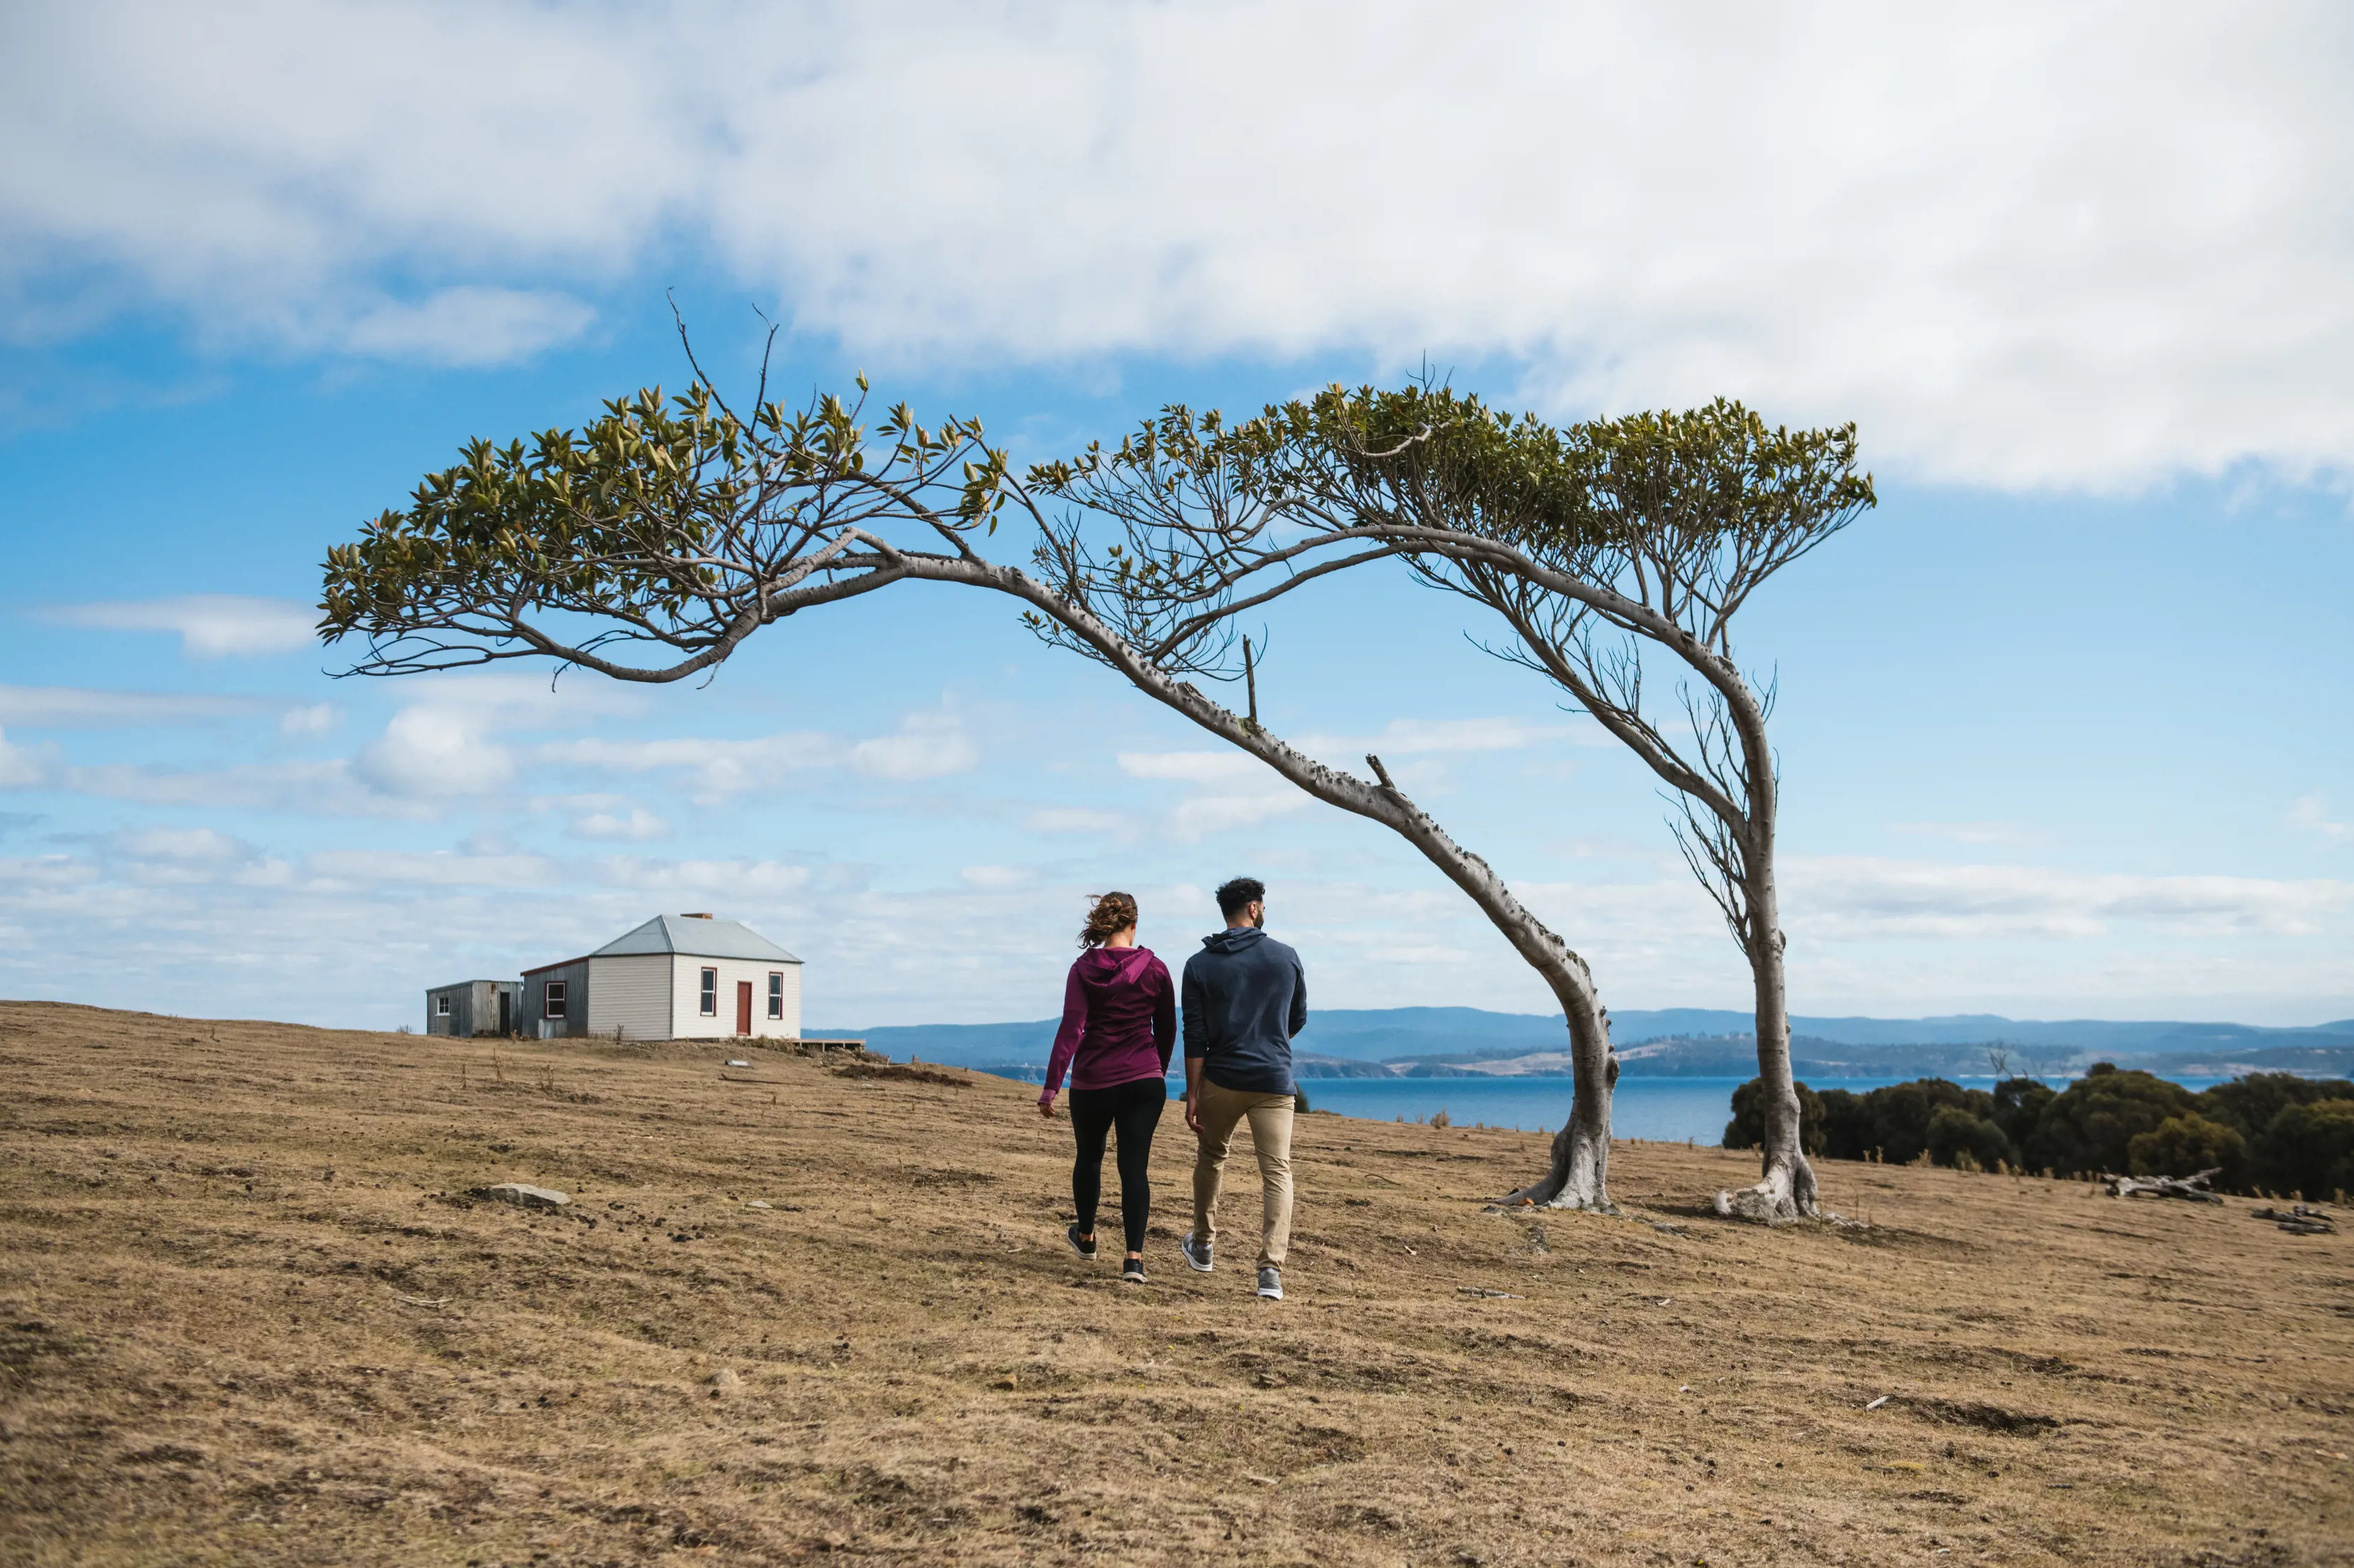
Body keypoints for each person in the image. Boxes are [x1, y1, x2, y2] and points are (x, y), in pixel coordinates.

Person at [1177, 876, 1306, 1302]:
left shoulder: (1199, 965)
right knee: (1277, 1172)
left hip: (1222, 1078)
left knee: (1212, 1156)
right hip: (1273, 1080)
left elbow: (1194, 1036)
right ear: (1254, 908)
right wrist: (1269, 1041)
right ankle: (1270, 1272)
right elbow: (1297, 1018)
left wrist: (1192, 1092)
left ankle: (1203, 1245)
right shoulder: (1286, 958)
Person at [1038, 891, 1175, 1284]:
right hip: (1144, 1080)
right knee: (1134, 1167)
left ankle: (1086, 1238)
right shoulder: (1157, 968)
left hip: (1093, 1080)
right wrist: (1156, 1071)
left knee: (1089, 1158)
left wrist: (1051, 1087)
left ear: (1103, 925)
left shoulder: (1082, 969)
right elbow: (1166, 1029)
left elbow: (1071, 1028)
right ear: (1134, 926)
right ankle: (1134, 1260)